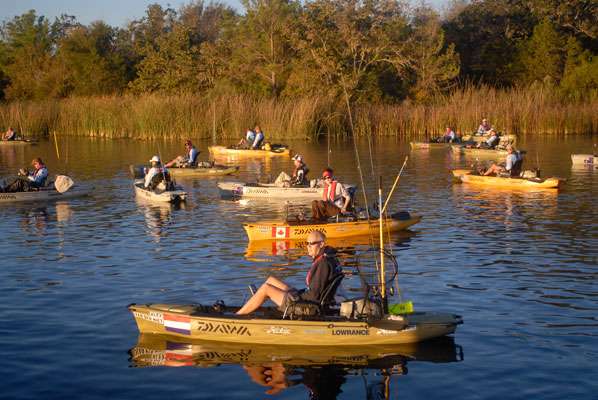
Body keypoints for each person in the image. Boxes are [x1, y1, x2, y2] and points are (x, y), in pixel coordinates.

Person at [236, 231, 342, 315]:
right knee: (271, 280)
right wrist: (296, 293)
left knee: (266, 288)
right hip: (306, 297)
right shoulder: (328, 258)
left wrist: (295, 296)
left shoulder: (323, 264)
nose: (308, 247)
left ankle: (237, 317)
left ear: (321, 244)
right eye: (307, 243)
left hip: (309, 306)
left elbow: (314, 295)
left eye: (311, 244)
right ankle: (255, 302)